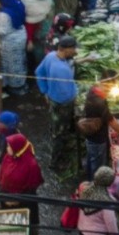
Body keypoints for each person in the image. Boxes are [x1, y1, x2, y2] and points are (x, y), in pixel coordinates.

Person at [82, 70, 119, 181]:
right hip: (97, 139)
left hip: (91, 137)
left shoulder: (95, 90)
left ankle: (88, 181)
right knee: (97, 168)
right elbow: (112, 122)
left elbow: (109, 118)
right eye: (115, 85)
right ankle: (95, 189)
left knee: (91, 160)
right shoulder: (99, 102)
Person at [36, 35, 79, 170]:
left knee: (56, 124)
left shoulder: (51, 56)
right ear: (65, 49)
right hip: (62, 104)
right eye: (73, 49)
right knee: (60, 133)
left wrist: (45, 91)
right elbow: (67, 95)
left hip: (52, 98)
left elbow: (38, 72)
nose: (75, 51)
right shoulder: (61, 70)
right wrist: (77, 96)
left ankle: (55, 130)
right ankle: (55, 163)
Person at [0, 133, 43, 235]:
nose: (6, 148)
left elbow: (32, 188)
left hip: (24, 203)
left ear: (18, 148)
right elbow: (1, 175)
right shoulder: (8, 157)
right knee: (10, 225)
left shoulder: (31, 165)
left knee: (28, 228)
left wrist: (17, 201)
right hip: (6, 199)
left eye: (9, 146)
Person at [78, 167, 119, 235]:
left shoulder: (85, 189)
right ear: (109, 183)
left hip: (82, 232)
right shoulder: (106, 204)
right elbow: (112, 229)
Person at [0, 0, 29, 96]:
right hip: (20, 35)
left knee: (11, 64)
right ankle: (21, 82)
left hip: (11, 41)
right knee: (19, 61)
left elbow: (2, 30)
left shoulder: (4, 15)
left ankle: (15, 87)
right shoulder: (19, 3)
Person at [23, 0, 53, 64]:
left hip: (47, 32)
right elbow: (30, 26)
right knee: (40, 57)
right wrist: (30, 41)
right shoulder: (30, 4)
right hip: (38, 37)